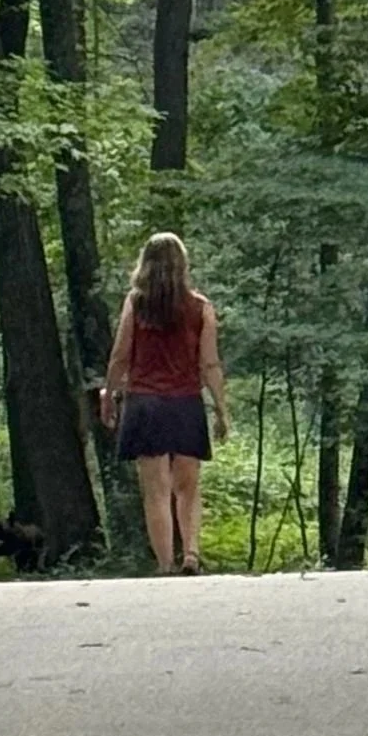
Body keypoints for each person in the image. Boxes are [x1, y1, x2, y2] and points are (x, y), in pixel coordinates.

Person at [100, 232, 229, 574]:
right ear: (182, 265)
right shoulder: (201, 308)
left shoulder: (135, 304)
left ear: (145, 264)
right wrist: (221, 410)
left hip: (144, 403)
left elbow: (119, 357)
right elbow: (209, 364)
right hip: (185, 403)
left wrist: (109, 397)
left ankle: (164, 564)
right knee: (187, 486)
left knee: (155, 491)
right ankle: (191, 554)